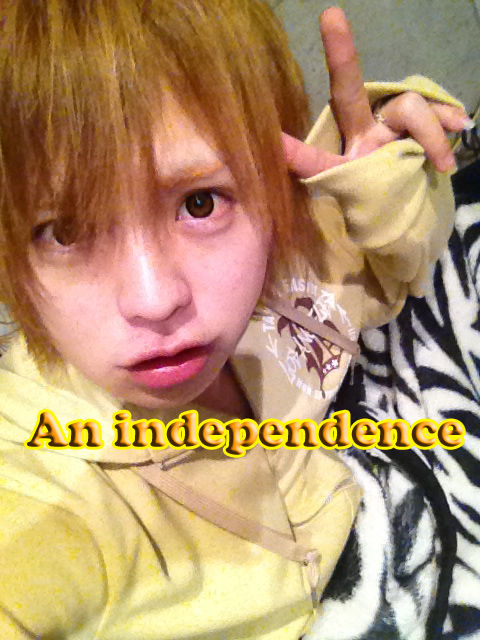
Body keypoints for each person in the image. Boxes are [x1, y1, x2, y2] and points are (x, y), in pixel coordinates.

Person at [0, 1, 470, 638]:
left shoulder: (277, 286)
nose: (155, 300)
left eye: (199, 203)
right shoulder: (41, 492)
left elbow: (389, 263)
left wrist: (382, 183)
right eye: (64, 232)